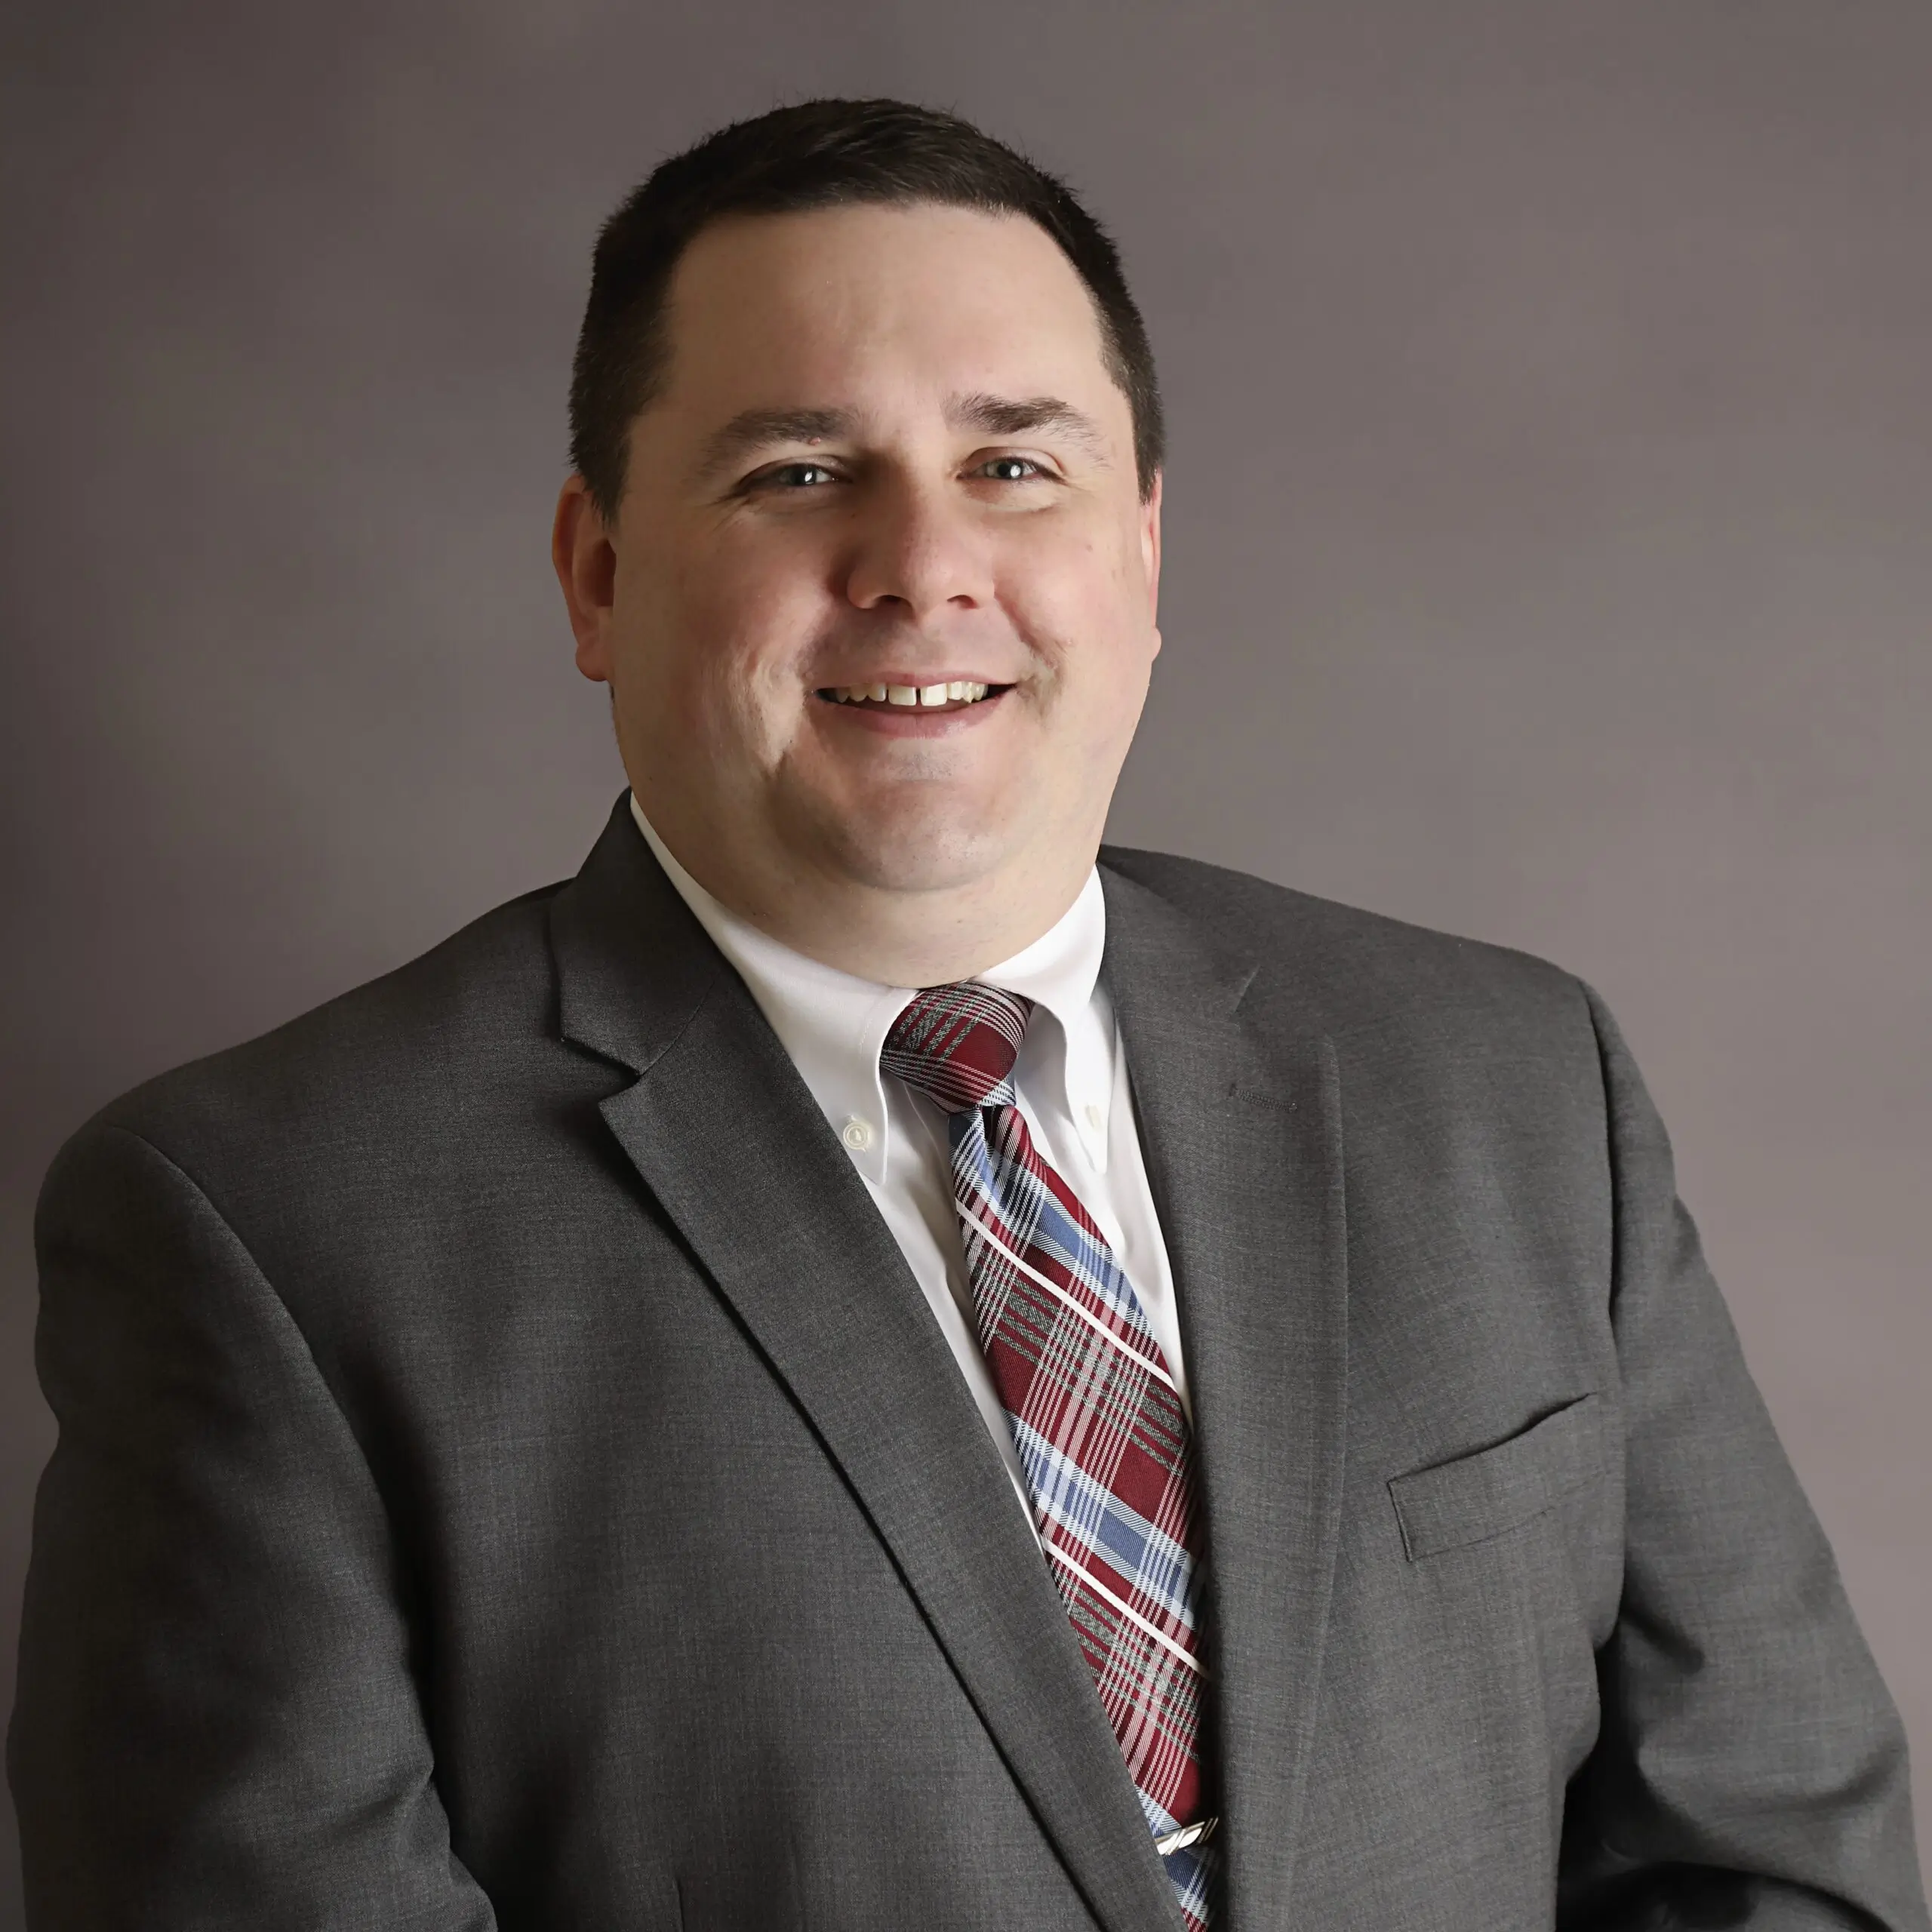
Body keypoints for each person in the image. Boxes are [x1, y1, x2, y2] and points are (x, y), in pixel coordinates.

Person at [8, 96, 1925, 1932]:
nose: (922, 565)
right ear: (599, 573)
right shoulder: (265, 1224)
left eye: (1013, 463)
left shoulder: (1512, 1088)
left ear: (1142, 551)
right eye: (797, 472)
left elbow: (1777, 1855)